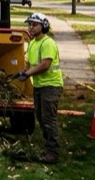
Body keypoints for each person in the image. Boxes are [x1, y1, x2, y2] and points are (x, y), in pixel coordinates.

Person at [16, 11, 63, 164]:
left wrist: (28, 73)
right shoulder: (32, 43)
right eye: (29, 24)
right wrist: (24, 70)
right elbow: (30, 63)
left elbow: (45, 64)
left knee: (49, 119)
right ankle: (48, 146)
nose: (31, 27)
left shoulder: (47, 43)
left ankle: (53, 152)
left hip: (51, 85)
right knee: (40, 118)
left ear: (43, 26)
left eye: (34, 25)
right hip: (39, 85)